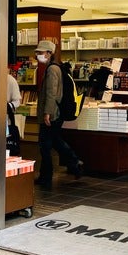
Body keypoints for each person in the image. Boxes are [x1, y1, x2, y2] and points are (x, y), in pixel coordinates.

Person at [34, 40, 84, 190]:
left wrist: (47, 113)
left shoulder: (52, 70)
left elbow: (51, 93)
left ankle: (47, 177)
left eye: (40, 52)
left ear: (49, 53)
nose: (38, 55)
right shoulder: (56, 68)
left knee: (45, 146)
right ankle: (74, 163)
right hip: (56, 113)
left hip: (52, 114)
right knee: (55, 141)